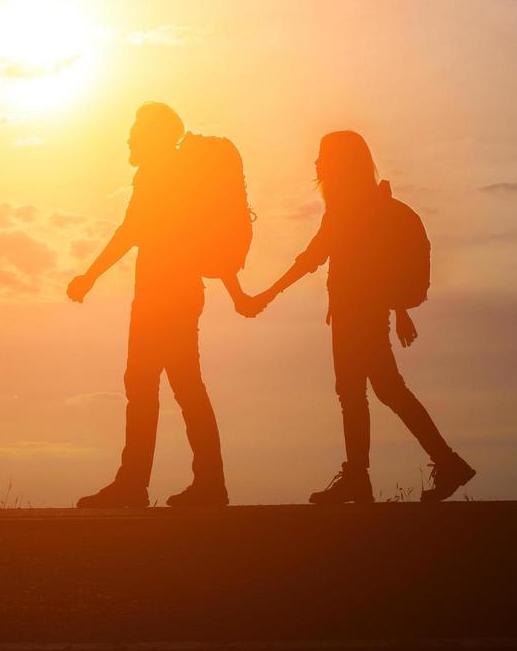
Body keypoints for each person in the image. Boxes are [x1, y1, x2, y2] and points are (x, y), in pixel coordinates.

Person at [242, 131, 475, 503]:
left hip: (356, 313)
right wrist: (397, 309)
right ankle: (426, 466)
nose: (317, 163)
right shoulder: (367, 204)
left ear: (340, 163)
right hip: (366, 310)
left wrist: (265, 296)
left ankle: (375, 474)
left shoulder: (347, 209)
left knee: (360, 393)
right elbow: (373, 264)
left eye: (323, 156)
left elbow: (312, 258)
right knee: (380, 390)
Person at [67, 102, 255, 508]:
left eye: (136, 131)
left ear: (154, 135)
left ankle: (137, 484)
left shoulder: (158, 174)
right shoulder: (179, 174)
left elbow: (130, 230)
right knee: (180, 387)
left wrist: (91, 275)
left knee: (150, 387)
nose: (129, 138)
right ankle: (202, 483)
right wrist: (235, 292)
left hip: (161, 297)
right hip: (179, 293)